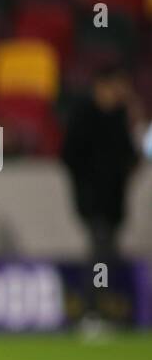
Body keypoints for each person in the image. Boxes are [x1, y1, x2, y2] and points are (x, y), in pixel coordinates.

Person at [61, 63, 144, 328]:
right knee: (99, 255)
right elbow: (69, 155)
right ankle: (92, 311)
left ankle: (105, 309)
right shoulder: (84, 115)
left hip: (114, 202)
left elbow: (130, 156)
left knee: (106, 255)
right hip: (93, 200)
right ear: (103, 86)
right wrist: (88, 183)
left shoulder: (119, 116)